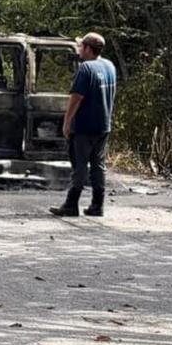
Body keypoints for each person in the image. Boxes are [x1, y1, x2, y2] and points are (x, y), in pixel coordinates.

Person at [50, 32, 117, 217]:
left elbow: (76, 97)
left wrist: (67, 121)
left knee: (79, 166)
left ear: (88, 48)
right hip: (103, 125)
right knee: (98, 166)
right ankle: (98, 205)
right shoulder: (109, 66)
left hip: (84, 126)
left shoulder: (86, 68)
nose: (79, 50)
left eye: (81, 47)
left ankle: (71, 205)